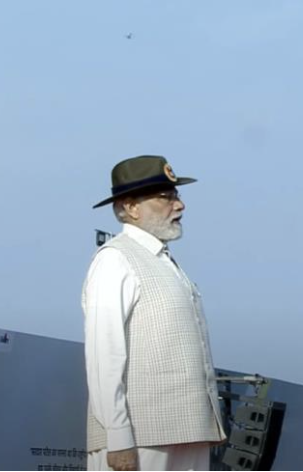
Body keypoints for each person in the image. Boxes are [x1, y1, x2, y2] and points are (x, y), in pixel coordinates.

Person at [83, 155, 226, 470]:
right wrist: (119, 436)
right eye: (166, 196)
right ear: (131, 207)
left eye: (176, 195)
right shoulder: (115, 259)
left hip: (186, 432)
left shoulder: (167, 263)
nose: (179, 205)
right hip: (140, 437)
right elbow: (104, 355)